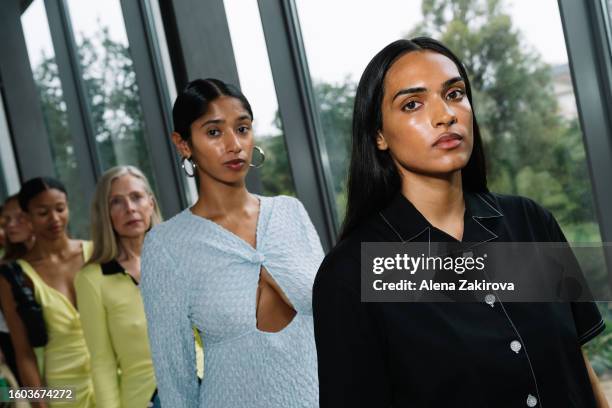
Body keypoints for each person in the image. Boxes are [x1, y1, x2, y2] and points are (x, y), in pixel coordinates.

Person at [312, 37, 610, 408]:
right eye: (413, 104)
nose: (445, 115)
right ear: (378, 135)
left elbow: (578, 365)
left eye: (454, 94)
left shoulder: (531, 222)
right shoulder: (351, 274)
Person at [140, 78, 323, 407]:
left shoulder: (290, 212)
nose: (234, 144)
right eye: (214, 132)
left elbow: (338, 317)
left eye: (242, 128)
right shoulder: (166, 246)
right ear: (183, 144)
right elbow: (174, 375)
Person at [0, 177, 95, 408]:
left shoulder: (95, 252)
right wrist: (40, 404)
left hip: (115, 380)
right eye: (43, 212)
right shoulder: (14, 276)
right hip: (63, 391)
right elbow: (23, 354)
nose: (54, 219)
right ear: (27, 217)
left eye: (60, 209)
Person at [0, 195, 35, 384]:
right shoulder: (6, 271)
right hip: (18, 354)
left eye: (19, 217)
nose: (11, 225)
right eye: (6, 219)